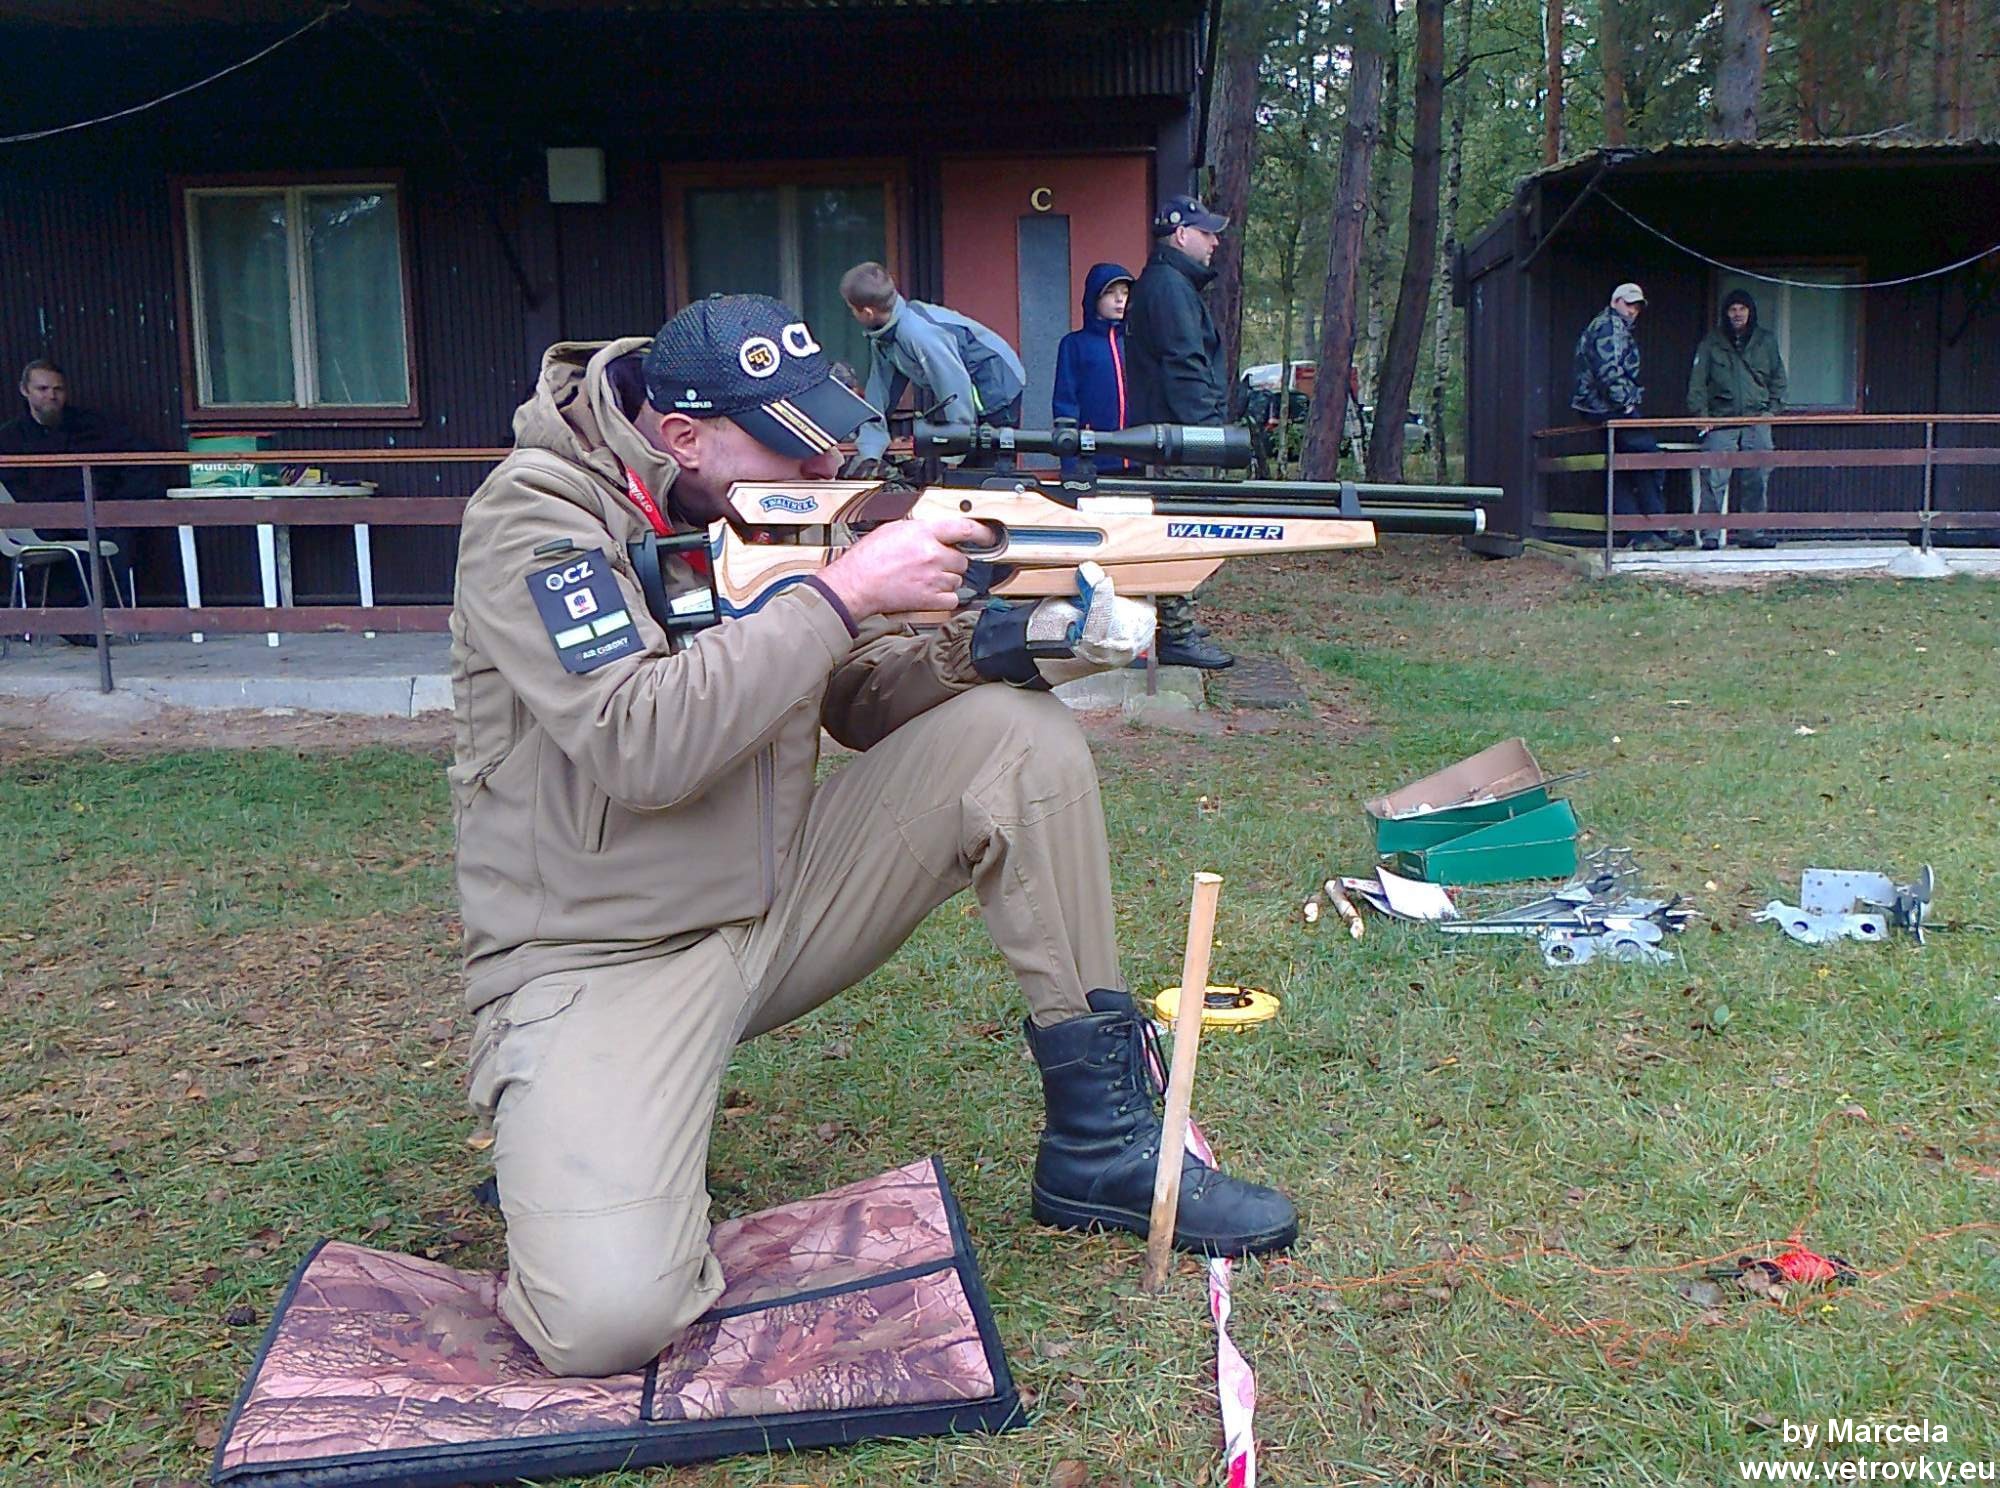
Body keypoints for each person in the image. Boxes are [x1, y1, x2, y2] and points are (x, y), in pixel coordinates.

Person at [448, 293, 1299, 1379]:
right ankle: (577, 1136)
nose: (825, 471)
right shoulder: (536, 518)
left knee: (1017, 740)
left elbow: (856, 697)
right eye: (793, 447)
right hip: (598, 953)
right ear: (683, 438)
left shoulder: (761, 508)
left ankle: (1102, 1146)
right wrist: (842, 592)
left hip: (768, 905)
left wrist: (1028, 637)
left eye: (827, 438)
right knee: (607, 1318)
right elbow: (639, 744)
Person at [1122, 196, 1240, 669]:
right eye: (1207, 233)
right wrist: (1210, 435)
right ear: (1181, 234)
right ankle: (1176, 634)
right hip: (1181, 436)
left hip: (1171, 432)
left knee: (1176, 528)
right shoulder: (1170, 287)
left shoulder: (1165, 283)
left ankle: (1174, 624)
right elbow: (1185, 365)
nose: (1215, 243)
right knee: (1180, 532)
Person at [838, 262, 1026, 470]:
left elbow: (954, 387)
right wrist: (871, 446)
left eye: (852, 309)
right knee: (966, 466)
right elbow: (880, 389)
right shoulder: (884, 336)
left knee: (986, 468)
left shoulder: (919, 334)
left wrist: (957, 449)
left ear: (867, 312)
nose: (852, 314)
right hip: (963, 386)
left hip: (995, 384)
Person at [0, 360, 144, 625]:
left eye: (58, 389)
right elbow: (13, 492)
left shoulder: (94, 426)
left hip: (95, 514)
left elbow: (133, 463)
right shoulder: (9, 439)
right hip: (40, 524)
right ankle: (71, 624)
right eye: (42, 389)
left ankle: (114, 621)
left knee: (119, 536)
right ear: (24, 390)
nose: (51, 396)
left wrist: (118, 504)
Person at [1568, 284, 1682, 551]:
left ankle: (1643, 534)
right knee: (1649, 458)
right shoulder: (1609, 327)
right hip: (1609, 408)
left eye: (1637, 306)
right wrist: (1626, 405)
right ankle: (1657, 525)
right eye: (1629, 304)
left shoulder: (1605, 325)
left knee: (1619, 471)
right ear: (1615, 302)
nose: (1633, 311)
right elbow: (1608, 371)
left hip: (1596, 409)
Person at [1687, 288, 1787, 550]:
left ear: (1751, 312)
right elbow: (1697, 384)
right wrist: (1702, 416)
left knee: (1757, 477)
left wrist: (1771, 412)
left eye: (1742, 308)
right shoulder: (1711, 343)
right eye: (1732, 309)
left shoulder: (1766, 341)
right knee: (1714, 477)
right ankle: (1710, 535)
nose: (1738, 314)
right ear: (1726, 313)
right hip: (1721, 420)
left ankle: (1752, 533)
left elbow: (1779, 380)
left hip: (1757, 420)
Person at [1051, 262, 1135, 474]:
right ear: (1094, 298)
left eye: (1125, 293)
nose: (1119, 299)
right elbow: (1065, 402)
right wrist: (1070, 460)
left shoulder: (1138, 341)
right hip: (1092, 459)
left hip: (1138, 457)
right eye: (1110, 292)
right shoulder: (1074, 344)